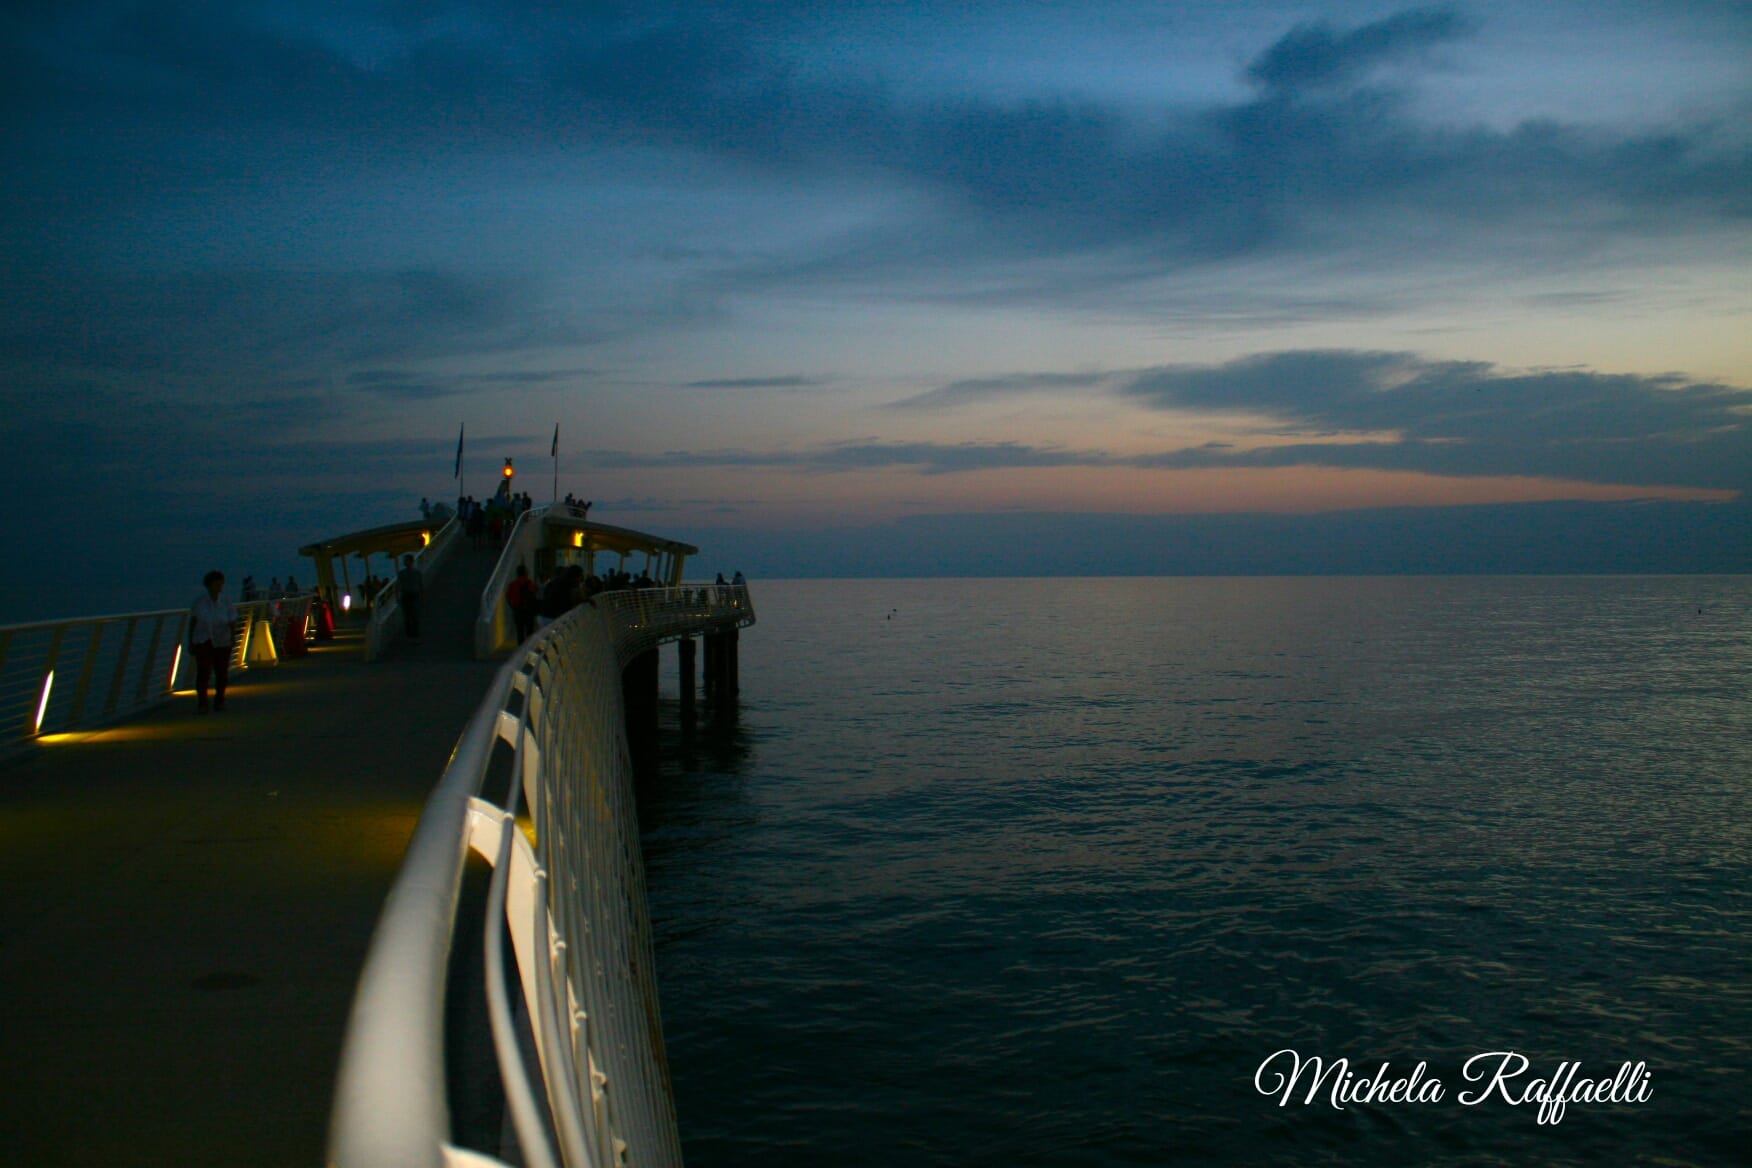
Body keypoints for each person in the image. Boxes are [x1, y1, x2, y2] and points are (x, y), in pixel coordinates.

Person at [189, 569, 238, 713]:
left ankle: (219, 700)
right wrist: (191, 641)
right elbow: (193, 620)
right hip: (204, 640)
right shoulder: (200, 602)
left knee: (222, 672)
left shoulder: (226, 601)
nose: (219, 587)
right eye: (217, 584)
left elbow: (232, 620)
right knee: (203, 671)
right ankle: (202, 702)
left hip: (222, 640)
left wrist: (233, 637)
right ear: (209, 585)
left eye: (221, 584)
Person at [506, 563, 539, 642]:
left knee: (520, 632)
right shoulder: (530, 583)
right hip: (529, 611)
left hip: (518, 610)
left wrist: (513, 607)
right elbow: (535, 594)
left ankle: (520, 649)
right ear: (526, 572)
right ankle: (528, 650)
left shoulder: (512, 584)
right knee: (529, 632)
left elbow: (508, 597)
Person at [397, 554, 424, 639]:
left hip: (414, 595)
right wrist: (397, 597)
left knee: (414, 616)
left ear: (411, 561)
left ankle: (415, 635)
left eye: (406, 560)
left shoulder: (416, 573)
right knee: (407, 617)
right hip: (406, 595)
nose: (405, 562)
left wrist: (422, 596)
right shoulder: (402, 573)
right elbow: (398, 586)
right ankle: (410, 635)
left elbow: (421, 585)